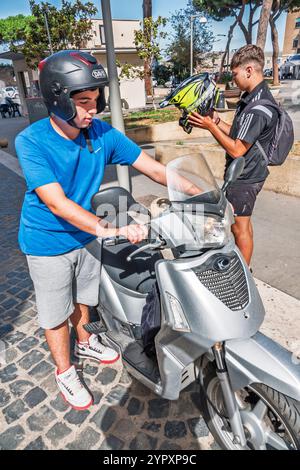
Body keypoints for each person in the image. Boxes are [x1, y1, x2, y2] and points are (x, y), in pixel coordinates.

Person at [15, 50, 170, 410]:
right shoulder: (31, 141)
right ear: (58, 98)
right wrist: (111, 228)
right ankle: (64, 370)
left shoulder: (100, 132)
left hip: (86, 236)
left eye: (96, 100)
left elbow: (154, 168)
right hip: (47, 240)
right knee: (56, 313)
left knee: (85, 298)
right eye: (84, 102)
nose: (93, 110)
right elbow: (56, 203)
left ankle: (85, 340)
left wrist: (204, 194)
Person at [188, 45, 278, 266]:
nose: (233, 79)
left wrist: (210, 127)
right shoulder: (251, 99)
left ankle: (243, 274)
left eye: (235, 74)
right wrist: (216, 121)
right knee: (241, 224)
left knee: (240, 228)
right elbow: (240, 135)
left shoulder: (258, 108)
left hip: (246, 175)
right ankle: (241, 266)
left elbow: (237, 149)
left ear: (249, 70)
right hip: (243, 173)